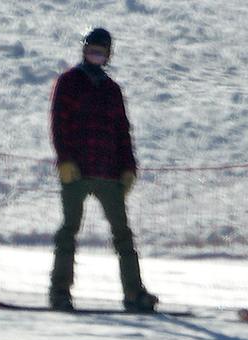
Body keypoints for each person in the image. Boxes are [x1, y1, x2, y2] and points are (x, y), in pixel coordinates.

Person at [49, 26, 158, 314]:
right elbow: (59, 123)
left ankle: (134, 293)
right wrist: (65, 159)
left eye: (100, 52)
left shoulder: (112, 90)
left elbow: (123, 131)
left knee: (123, 234)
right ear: (84, 51)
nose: (95, 56)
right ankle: (60, 291)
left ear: (108, 55)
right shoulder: (69, 82)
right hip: (77, 172)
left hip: (109, 174)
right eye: (91, 50)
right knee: (69, 230)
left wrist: (129, 168)